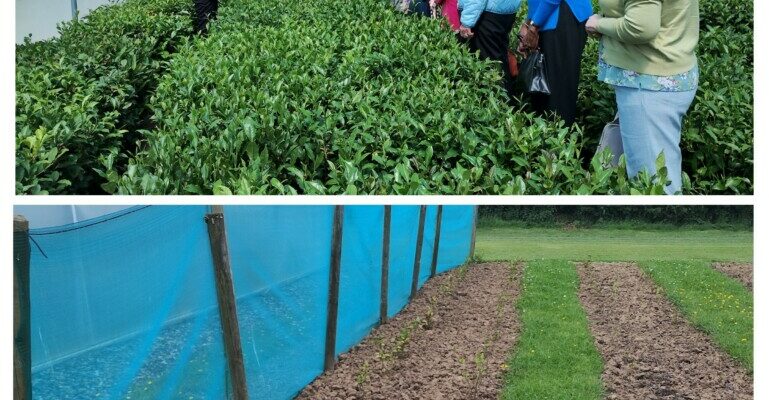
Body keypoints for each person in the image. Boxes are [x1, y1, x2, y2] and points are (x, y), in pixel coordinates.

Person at [586, 0, 699, 195]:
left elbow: (640, 27)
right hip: (664, 76)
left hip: (649, 84)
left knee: (654, 187)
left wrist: (598, 24)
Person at [517, 0, 593, 126]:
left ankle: (559, 140)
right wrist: (529, 22)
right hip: (547, 15)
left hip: (561, 16)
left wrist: (533, 25)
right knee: (543, 87)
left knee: (558, 93)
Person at [457, 0, 521, 99]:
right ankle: (507, 106)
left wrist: (467, 21)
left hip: (485, 14)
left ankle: (500, 107)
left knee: (489, 68)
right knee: (499, 62)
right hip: (504, 11)